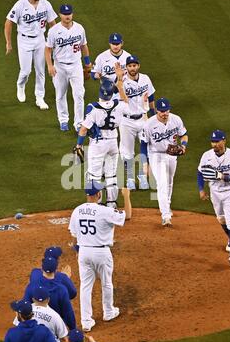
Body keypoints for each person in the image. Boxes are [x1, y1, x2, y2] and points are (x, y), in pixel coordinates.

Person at [68, 180, 129, 331]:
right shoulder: (104, 211)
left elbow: (74, 235)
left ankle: (86, 322)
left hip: (84, 252)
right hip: (101, 252)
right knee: (106, 282)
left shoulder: (77, 210)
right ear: (98, 194)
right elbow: (127, 217)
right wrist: (127, 197)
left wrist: (77, 251)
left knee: (85, 286)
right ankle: (108, 312)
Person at [75, 79, 130, 208]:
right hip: (113, 142)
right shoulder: (119, 104)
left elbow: (83, 129)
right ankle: (112, 205)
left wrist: (79, 145)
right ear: (112, 94)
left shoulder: (93, 107)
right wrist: (120, 86)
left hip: (98, 144)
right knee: (111, 175)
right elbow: (126, 102)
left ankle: (96, 205)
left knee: (94, 175)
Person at [4, 0, 57, 109]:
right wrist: (8, 43)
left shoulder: (45, 4)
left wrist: (55, 42)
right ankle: (20, 85)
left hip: (40, 39)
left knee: (40, 70)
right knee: (26, 71)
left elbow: (52, 23)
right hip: (24, 40)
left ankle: (40, 98)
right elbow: (8, 23)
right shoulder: (20, 4)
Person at [197, 130, 230, 266]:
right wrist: (201, 189)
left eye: (217, 141)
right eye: (213, 142)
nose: (215, 144)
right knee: (221, 219)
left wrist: (224, 176)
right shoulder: (206, 156)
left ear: (224, 141)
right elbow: (200, 172)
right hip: (215, 193)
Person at [140, 97, 188, 226]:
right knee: (162, 183)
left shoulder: (176, 119)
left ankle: (167, 205)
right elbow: (143, 145)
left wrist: (183, 145)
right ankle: (165, 216)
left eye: (166, 110)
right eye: (161, 111)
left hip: (172, 155)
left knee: (170, 181)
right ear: (156, 111)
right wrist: (145, 164)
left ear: (169, 109)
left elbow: (184, 134)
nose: (164, 113)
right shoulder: (149, 124)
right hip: (156, 155)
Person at [45, 4, 92, 131]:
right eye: (65, 14)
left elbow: (84, 46)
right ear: (60, 15)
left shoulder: (79, 28)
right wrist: (50, 65)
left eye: (69, 13)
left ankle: (78, 123)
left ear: (72, 14)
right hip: (59, 66)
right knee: (60, 94)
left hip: (76, 65)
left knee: (79, 95)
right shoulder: (54, 31)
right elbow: (48, 50)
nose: (67, 16)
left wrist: (87, 63)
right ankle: (63, 120)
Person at [116, 55, 155, 190]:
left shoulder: (145, 78)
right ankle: (131, 178)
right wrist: (120, 78)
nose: (132, 68)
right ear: (126, 67)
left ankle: (143, 176)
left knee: (146, 147)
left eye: (134, 65)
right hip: (126, 120)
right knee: (128, 153)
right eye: (130, 66)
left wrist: (153, 118)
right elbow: (123, 98)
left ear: (138, 66)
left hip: (143, 119)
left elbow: (151, 97)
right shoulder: (122, 81)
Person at [24, 257, 76, 329]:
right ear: (56, 270)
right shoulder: (61, 289)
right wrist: (73, 328)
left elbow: (25, 306)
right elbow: (68, 312)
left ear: (42, 269)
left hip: (35, 325)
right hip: (54, 326)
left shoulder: (32, 285)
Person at [91, 33, 130, 97]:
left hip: (125, 91)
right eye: (113, 44)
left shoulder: (127, 56)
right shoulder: (101, 57)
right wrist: (97, 75)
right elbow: (93, 74)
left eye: (117, 44)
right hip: (107, 93)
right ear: (109, 43)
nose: (115, 46)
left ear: (122, 43)